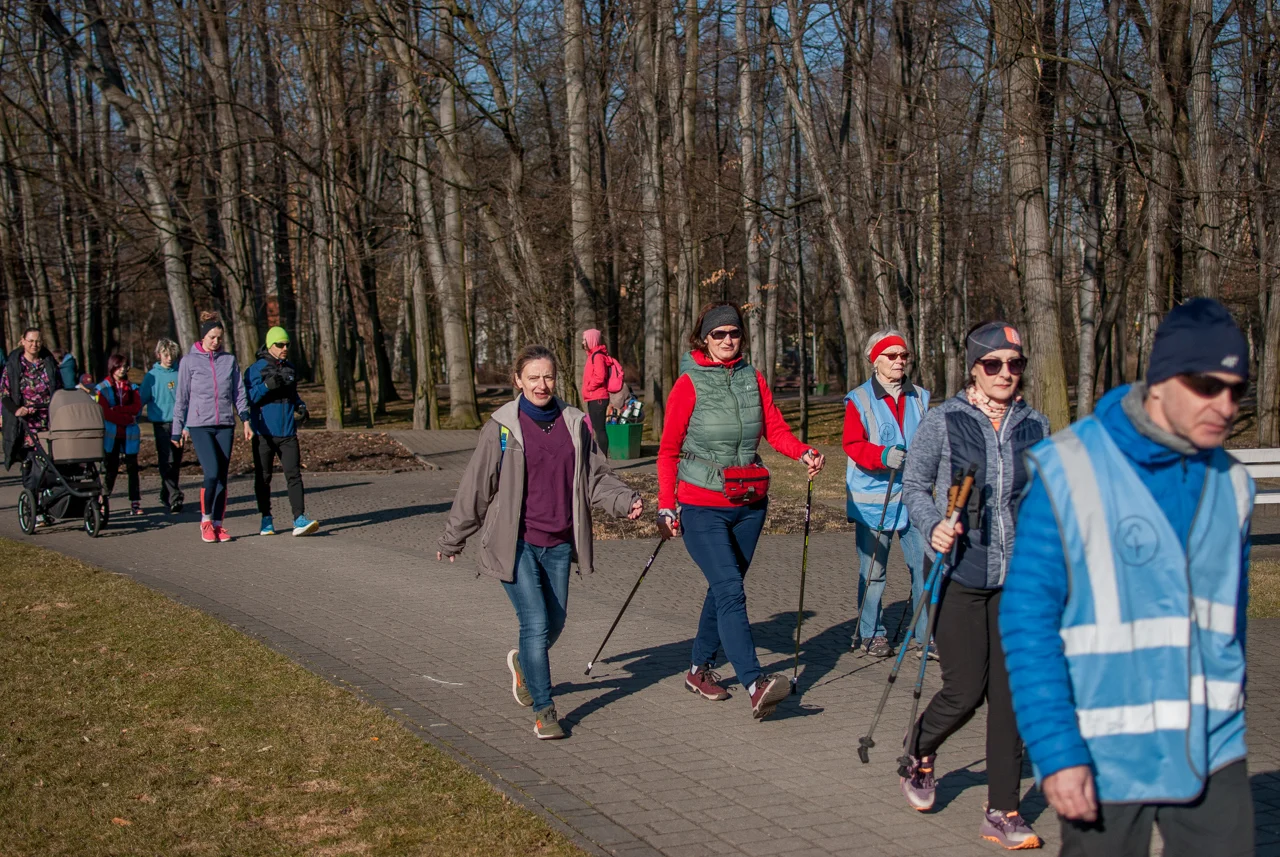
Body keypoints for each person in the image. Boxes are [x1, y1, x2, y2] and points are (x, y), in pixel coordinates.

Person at [1001, 298, 1255, 857]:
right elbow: (1027, 624)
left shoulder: (1234, 484)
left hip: (1212, 747)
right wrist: (1056, 750)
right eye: (1207, 386)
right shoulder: (1069, 468)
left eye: (1236, 390)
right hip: (1101, 750)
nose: (1225, 405)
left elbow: (1231, 628)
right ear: (1160, 382)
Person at [438, 344, 643, 740]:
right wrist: (453, 538)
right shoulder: (502, 427)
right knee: (534, 622)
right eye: (533, 377)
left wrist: (624, 500)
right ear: (518, 380)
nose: (541, 384)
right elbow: (477, 485)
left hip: (559, 542)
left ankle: (524, 664)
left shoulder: (575, 423)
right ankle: (544, 710)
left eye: (547, 376)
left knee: (556, 621)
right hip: (515, 542)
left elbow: (595, 477)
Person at [898, 321, 1049, 849]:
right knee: (965, 690)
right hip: (959, 571)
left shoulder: (1036, 425)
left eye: (1014, 363)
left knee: (1011, 697)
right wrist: (933, 525)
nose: (1006, 373)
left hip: (1019, 580)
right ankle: (919, 748)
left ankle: (1003, 811)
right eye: (994, 364)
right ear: (974, 368)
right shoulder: (944, 420)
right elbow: (914, 486)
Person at [656, 301, 825, 720]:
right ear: (705, 339)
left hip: (749, 503)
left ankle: (698, 669)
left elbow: (775, 429)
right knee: (731, 589)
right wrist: (666, 505)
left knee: (724, 589)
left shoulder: (753, 377)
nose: (728, 340)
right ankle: (755, 683)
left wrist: (802, 451)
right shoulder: (688, 383)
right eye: (719, 334)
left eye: (734, 333)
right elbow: (668, 450)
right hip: (701, 505)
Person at [843, 328, 931, 658]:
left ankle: (927, 634)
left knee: (925, 567)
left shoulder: (920, 397)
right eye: (891, 355)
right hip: (873, 500)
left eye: (903, 355)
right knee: (874, 572)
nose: (899, 361)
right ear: (875, 360)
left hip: (915, 497)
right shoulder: (860, 398)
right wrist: (882, 455)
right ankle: (872, 633)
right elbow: (852, 443)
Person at [171, 312, 251, 543]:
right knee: (212, 473)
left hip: (225, 424)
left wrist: (245, 420)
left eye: (219, 338)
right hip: (200, 425)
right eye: (212, 337)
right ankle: (205, 520)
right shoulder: (189, 361)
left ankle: (218, 524)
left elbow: (238, 392)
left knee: (223, 477)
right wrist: (177, 428)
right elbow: (182, 397)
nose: (216, 342)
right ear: (203, 337)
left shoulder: (229, 360)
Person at [245, 326, 318, 537]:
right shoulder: (255, 369)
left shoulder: (290, 369)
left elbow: (293, 394)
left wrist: (300, 406)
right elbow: (248, 398)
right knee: (264, 477)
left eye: (287, 344)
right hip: (264, 433)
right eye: (280, 344)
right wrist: (266, 387)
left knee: (294, 475)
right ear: (270, 345)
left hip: (287, 432)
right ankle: (266, 519)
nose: (285, 348)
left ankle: (299, 519)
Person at [1, 328, 61, 500]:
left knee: (51, 457)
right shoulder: (14, 365)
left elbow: (59, 388)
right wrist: (17, 409)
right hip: (26, 421)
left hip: (49, 418)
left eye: (38, 341)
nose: (34, 344)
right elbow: (4, 394)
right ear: (23, 341)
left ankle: (50, 495)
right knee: (32, 458)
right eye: (31, 341)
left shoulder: (49, 364)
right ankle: (33, 495)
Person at [95, 354, 144, 516]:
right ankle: (103, 500)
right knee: (111, 468)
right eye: (119, 366)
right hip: (112, 435)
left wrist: (119, 410)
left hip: (129, 434)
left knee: (132, 468)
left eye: (125, 366)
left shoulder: (132, 387)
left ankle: (135, 502)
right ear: (112, 367)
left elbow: (136, 408)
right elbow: (105, 412)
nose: (122, 370)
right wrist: (126, 417)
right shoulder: (102, 388)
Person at [140, 339, 185, 513]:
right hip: (161, 424)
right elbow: (141, 399)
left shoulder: (180, 374)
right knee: (167, 460)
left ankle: (166, 493)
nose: (169, 359)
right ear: (159, 355)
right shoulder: (152, 376)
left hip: (178, 423)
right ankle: (175, 496)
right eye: (166, 355)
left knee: (176, 462)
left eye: (172, 355)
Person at [580, 328, 612, 457]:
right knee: (597, 429)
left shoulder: (597, 356)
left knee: (600, 430)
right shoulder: (592, 356)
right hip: (593, 397)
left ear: (591, 340)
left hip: (598, 398)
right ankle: (600, 458)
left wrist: (589, 387)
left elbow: (600, 376)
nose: (583, 342)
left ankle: (602, 459)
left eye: (585, 339)